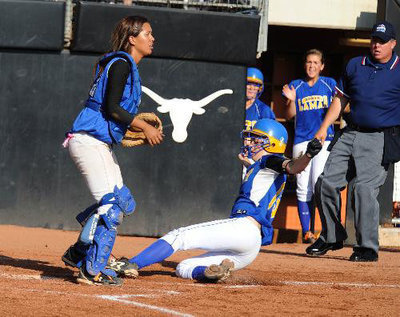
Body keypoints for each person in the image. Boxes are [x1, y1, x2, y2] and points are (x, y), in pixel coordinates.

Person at [105, 119, 322, 282]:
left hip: (244, 228)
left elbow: (293, 167)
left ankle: (132, 263)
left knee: (178, 236)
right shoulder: (260, 166)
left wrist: (308, 156)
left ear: (271, 144)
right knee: (184, 268)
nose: (251, 142)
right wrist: (249, 165)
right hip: (250, 248)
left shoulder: (269, 160)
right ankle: (214, 272)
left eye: (257, 139)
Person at [61, 16, 163, 285]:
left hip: (95, 141)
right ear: (132, 38)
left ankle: (79, 252)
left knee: (123, 200)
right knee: (112, 206)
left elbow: (112, 111)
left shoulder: (122, 64)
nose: (152, 38)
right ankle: (91, 270)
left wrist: (127, 126)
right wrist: (143, 126)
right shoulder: (120, 64)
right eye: (147, 34)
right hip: (88, 141)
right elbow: (112, 109)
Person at [306, 21, 400, 262]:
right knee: (325, 183)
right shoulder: (355, 65)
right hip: (349, 133)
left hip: (379, 137)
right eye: (374, 40)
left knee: (364, 190)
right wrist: (323, 128)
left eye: (382, 41)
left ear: (393, 43)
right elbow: (340, 99)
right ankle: (331, 236)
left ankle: (367, 247)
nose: (377, 45)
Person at [282, 49, 337, 243]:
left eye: (315, 62)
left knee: (318, 184)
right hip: (301, 140)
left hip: (323, 139)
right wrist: (290, 99)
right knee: (302, 186)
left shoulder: (329, 84)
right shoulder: (296, 85)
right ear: (304, 65)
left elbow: (343, 107)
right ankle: (307, 231)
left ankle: (326, 231)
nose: (311, 66)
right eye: (308, 62)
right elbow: (289, 115)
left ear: (322, 66)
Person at [245, 67, 276, 132]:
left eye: (256, 85)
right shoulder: (233, 106)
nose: (252, 88)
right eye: (248, 83)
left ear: (260, 88)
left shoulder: (264, 110)